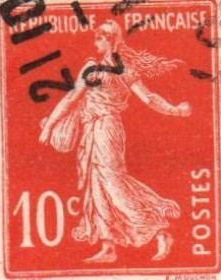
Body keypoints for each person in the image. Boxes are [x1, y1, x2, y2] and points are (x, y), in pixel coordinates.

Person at [37, 20, 193, 264]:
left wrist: (175, 110)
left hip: (108, 128)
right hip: (90, 130)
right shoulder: (91, 67)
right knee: (96, 185)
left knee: (112, 182)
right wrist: (49, 125)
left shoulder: (124, 69)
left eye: (100, 38)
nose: (95, 43)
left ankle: (158, 229)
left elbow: (149, 98)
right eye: (96, 38)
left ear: (110, 40)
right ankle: (107, 245)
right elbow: (71, 98)